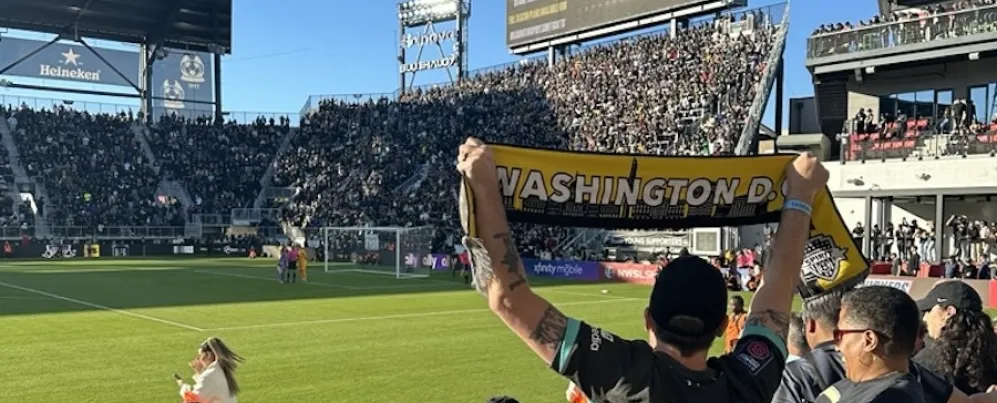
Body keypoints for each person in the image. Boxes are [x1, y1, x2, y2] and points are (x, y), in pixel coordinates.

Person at [456, 138, 827, 403]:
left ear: (648, 319)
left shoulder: (626, 375)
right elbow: (776, 294)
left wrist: (483, 184)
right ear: (721, 328)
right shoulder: (748, 382)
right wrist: (800, 197)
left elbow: (506, 296)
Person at [815, 286, 924, 402]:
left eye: (840, 334)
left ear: (869, 341)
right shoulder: (852, 386)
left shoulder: (890, 397)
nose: (837, 347)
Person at [915, 281, 997, 395]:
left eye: (928, 311)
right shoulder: (989, 351)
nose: (925, 318)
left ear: (948, 312)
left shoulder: (926, 362)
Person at [177, 337, 245, 403]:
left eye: (200, 356)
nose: (199, 359)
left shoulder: (208, 376)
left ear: (209, 355)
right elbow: (209, 388)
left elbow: (192, 400)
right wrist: (200, 373)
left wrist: (183, 387)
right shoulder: (222, 370)